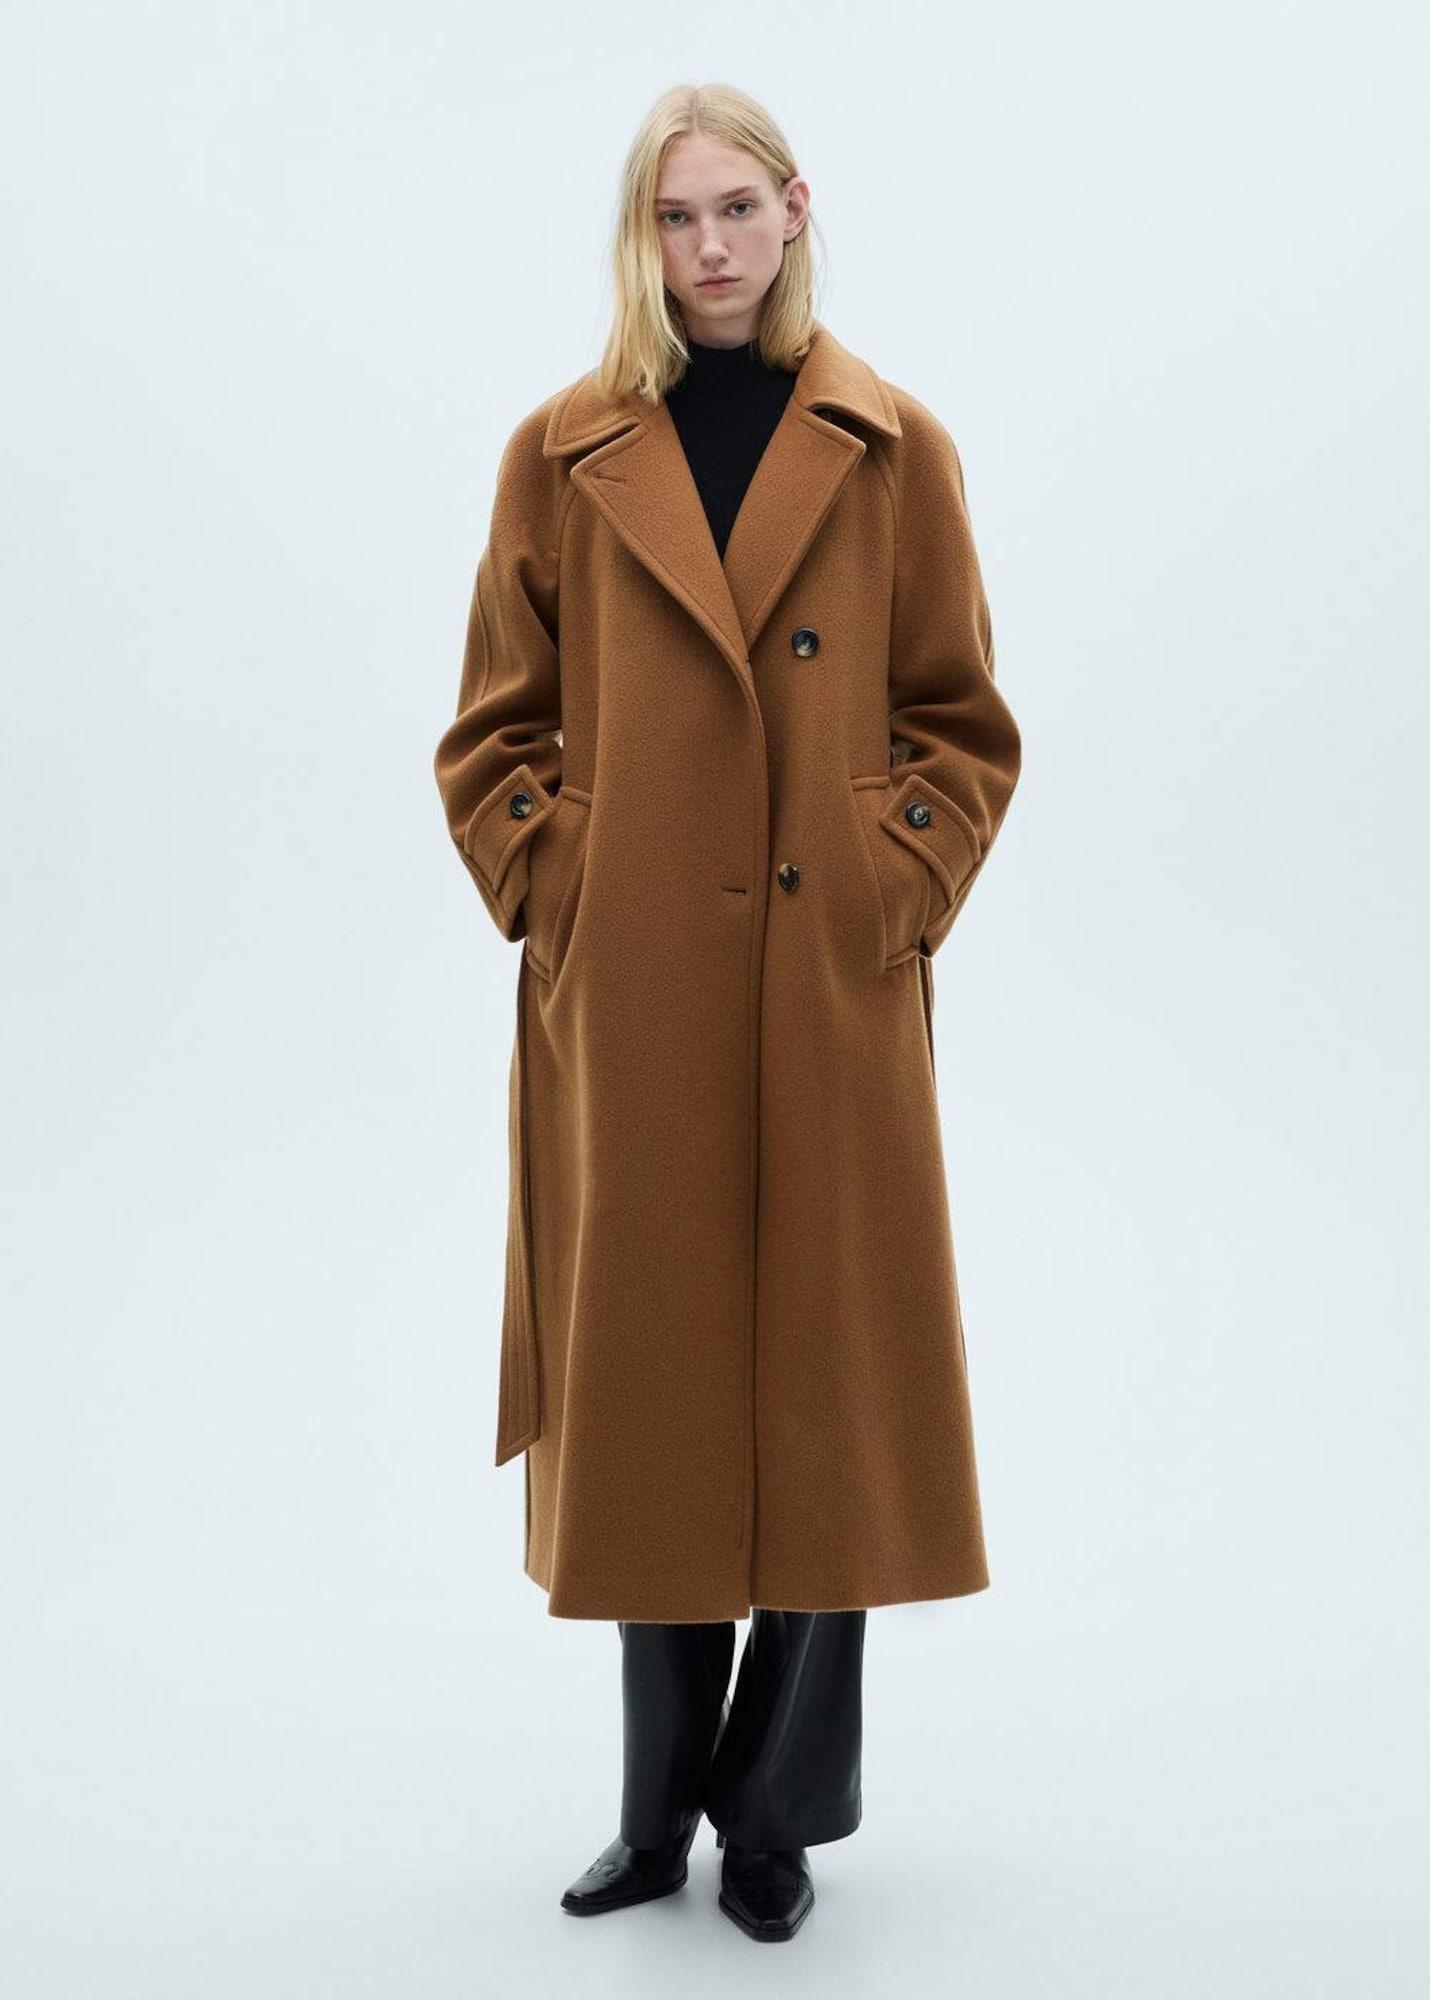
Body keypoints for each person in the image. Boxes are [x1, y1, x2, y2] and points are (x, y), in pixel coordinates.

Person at [433, 82, 1022, 1943]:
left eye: (736, 210)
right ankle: (652, 1814)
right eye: (673, 216)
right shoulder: (561, 451)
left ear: (794, 211)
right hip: (635, 997)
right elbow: (490, 732)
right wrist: (561, 881)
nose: (707, 248)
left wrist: (887, 881)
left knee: (831, 1387)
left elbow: (959, 724)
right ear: (641, 234)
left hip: (826, 980)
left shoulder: (890, 445)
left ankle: (770, 1819)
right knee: (654, 1391)